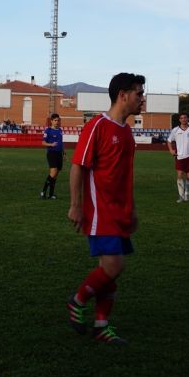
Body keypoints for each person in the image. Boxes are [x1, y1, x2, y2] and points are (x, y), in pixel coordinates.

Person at [67, 72, 146, 344]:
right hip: (100, 210)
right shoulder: (97, 126)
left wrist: (131, 209)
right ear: (123, 95)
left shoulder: (127, 133)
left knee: (110, 271)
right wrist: (75, 205)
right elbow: (78, 165)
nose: (142, 99)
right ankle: (77, 300)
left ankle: (101, 326)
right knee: (114, 265)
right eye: (138, 93)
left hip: (119, 211)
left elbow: (126, 176)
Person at [41, 113, 64, 199]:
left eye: (58, 120)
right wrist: (51, 144)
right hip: (51, 153)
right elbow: (43, 142)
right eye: (55, 120)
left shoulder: (60, 130)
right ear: (51, 121)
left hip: (59, 154)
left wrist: (64, 153)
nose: (57, 122)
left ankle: (51, 194)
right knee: (53, 172)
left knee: (55, 175)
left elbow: (61, 143)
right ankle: (43, 192)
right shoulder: (48, 131)